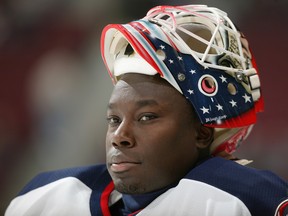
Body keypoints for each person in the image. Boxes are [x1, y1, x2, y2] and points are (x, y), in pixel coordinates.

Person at [5, 4, 288, 216]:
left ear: (202, 132)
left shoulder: (237, 199)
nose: (120, 136)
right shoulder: (46, 198)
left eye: (146, 117)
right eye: (113, 119)